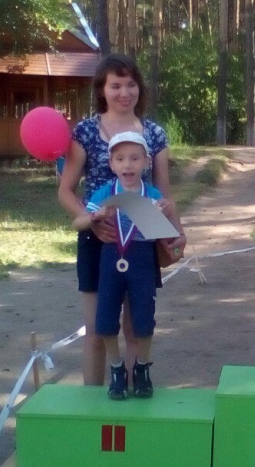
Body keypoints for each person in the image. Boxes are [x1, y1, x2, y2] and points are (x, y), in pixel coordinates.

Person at [58, 53, 186, 386]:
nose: (124, 92)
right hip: (97, 241)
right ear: (102, 90)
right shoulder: (85, 132)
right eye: (116, 85)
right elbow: (66, 191)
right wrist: (91, 220)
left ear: (139, 88)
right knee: (96, 331)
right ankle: (93, 403)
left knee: (135, 328)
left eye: (131, 84)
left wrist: (177, 234)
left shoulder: (155, 134)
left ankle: (131, 399)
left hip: (141, 242)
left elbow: (164, 193)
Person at [73, 132, 175, 399]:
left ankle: (142, 368)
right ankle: (117, 369)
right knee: (105, 318)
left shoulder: (151, 195)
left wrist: (162, 215)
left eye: (134, 158)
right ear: (111, 163)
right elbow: (77, 223)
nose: (127, 164)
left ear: (146, 162)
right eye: (120, 159)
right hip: (110, 257)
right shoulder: (106, 193)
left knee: (144, 318)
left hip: (142, 259)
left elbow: (165, 234)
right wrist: (95, 216)